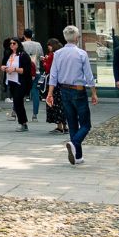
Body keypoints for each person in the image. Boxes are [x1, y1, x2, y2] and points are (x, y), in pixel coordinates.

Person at [47, 25, 98, 165]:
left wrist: (50, 93)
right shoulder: (81, 53)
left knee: (72, 122)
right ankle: (74, 143)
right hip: (78, 90)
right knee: (86, 124)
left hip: (64, 90)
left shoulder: (58, 54)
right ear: (76, 38)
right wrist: (93, 92)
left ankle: (78, 156)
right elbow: (88, 75)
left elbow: (53, 75)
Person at [1, 37, 31, 131]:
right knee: (16, 102)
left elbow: (26, 70)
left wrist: (14, 69)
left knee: (18, 102)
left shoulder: (23, 55)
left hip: (20, 82)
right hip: (11, 81)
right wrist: (4, 68)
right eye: (10, 44)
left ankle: (23, 123)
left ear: (18, 44)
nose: (12, 45)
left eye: (14, 43)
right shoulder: (8, 54)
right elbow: (3, 64)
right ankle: (23, 123)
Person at [42, 39, 66, 134]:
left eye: (49, 45)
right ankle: (65, 126)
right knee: (63, 105)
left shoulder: (53, 55)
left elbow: (49, 69)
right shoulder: (62, 54)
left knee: (55, 104)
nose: (48, 47)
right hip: (63, 82)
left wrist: (44, 61)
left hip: (55, 83)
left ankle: (59, 126)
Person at [22, 28, 44, 121]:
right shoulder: (38, 45)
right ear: (32, 35)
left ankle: (15, 111)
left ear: (24, 36)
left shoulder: (22, 45)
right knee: (35, 92)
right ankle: (35, 114)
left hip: (24, 71)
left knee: (20, 92)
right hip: (36, 71)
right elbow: (41, 57)